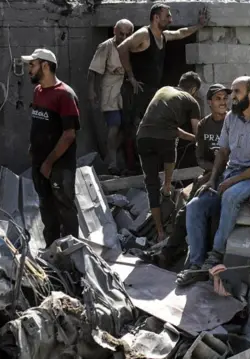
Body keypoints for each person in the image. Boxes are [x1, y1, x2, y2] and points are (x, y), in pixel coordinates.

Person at [176, 76, 250, 285]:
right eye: (232, 91)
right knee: (196, 204)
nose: (232, 97)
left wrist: (232, 182)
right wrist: (213, 180)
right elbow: (222, 152)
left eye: (237, 92)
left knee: (231, 196)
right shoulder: (231, 118)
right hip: (231, 172)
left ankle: (215, 255)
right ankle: (196, 265)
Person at [141, 83, 231, 270]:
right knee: (185, 211)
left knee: (214, 211)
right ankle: (168, 254)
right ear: (209, 102)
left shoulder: (233, 122)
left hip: (230, 174)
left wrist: (220, 167)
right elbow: (200, 158)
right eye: (218, 99)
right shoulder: (204, 125)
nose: (223, 102)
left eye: (225, 98)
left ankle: (209, 260)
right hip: (210, 175)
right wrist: (212, 168)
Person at [118, 3, 206, 171]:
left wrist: (199, 26)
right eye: (167, 16)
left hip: (151, 89)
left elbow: (180, 33)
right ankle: (130, 166)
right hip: (137, 89)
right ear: (156, 17)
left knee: (151, 126)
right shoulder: (144, 34)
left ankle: (149, 163)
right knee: (133, 126)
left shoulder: (163, 36)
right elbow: (122, 48)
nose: (170, 19)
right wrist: (131, 76)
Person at [22, 48, 80, 247]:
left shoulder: (64, 95)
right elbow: (40, 123)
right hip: (40, 163)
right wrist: (34, 149)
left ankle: (72, 255)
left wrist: (49, 162)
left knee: (65, 209)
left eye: (32, 64)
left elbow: (69, 134)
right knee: (47, 209)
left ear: (45, 66)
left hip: (59, 166)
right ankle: (52, 252)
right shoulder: (38, 91)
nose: (29, 68)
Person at [136, 72, 202, 242]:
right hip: (165, 139)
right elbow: (197, 132)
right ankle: (166, 187)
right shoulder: (191, 100)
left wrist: (191, 138)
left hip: (142, 137)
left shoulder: (164, 90)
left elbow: (169, 128)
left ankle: (159, 232)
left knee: (150, 184)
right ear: (193, 89)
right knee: (170, 146)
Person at [88, 19, 134, 173]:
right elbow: (93, 70)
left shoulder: (133, 45)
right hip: (110, 89)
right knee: (114, 125)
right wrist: (91, 90)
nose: (124, 37)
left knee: (127, 126)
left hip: (126, 90)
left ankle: (113, 156)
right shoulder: (105, 47)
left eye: (128, 34)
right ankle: (112, 162)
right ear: (115, 30)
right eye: (121, 34)